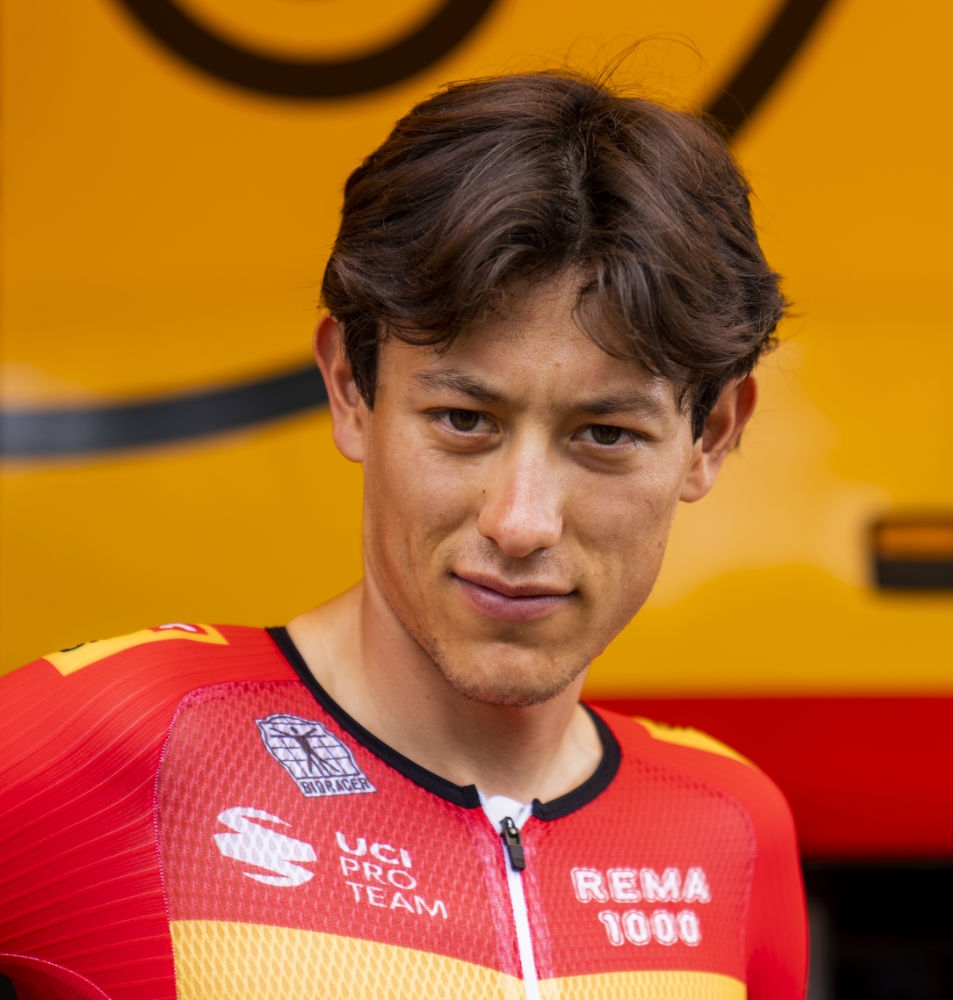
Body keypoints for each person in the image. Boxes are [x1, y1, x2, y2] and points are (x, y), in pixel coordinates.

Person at [0, 71, 806, 1000]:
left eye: (606, 435)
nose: (521, 522)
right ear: (351, 389)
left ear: (712, 437)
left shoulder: (730, 826)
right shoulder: (112, 742)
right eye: (464, 420)